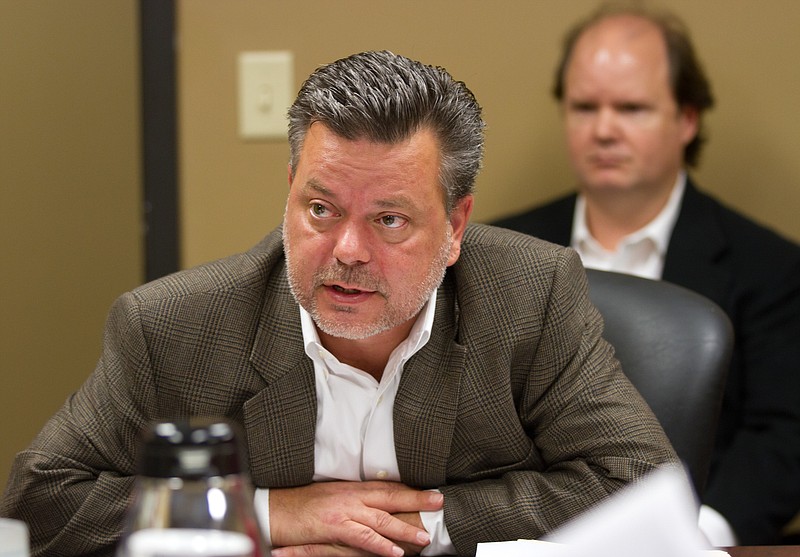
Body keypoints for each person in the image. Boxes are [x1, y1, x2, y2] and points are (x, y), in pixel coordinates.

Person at [1, 50, 678, 557]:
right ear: (290, 186)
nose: (347, 250)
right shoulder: (173, 326)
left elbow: (639, 480)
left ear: (455, 226)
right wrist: (271, 514)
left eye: (389, 220)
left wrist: (418, 526)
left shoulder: (530, 294)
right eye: (321, 208)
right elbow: (39, 501)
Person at [492, 5, 800, 547]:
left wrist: (691, 538)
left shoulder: (770, 267)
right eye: (585, 106)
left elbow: (784, 434)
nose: (604, 129)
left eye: (631, 108)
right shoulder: (497, 252)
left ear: (687, 119)